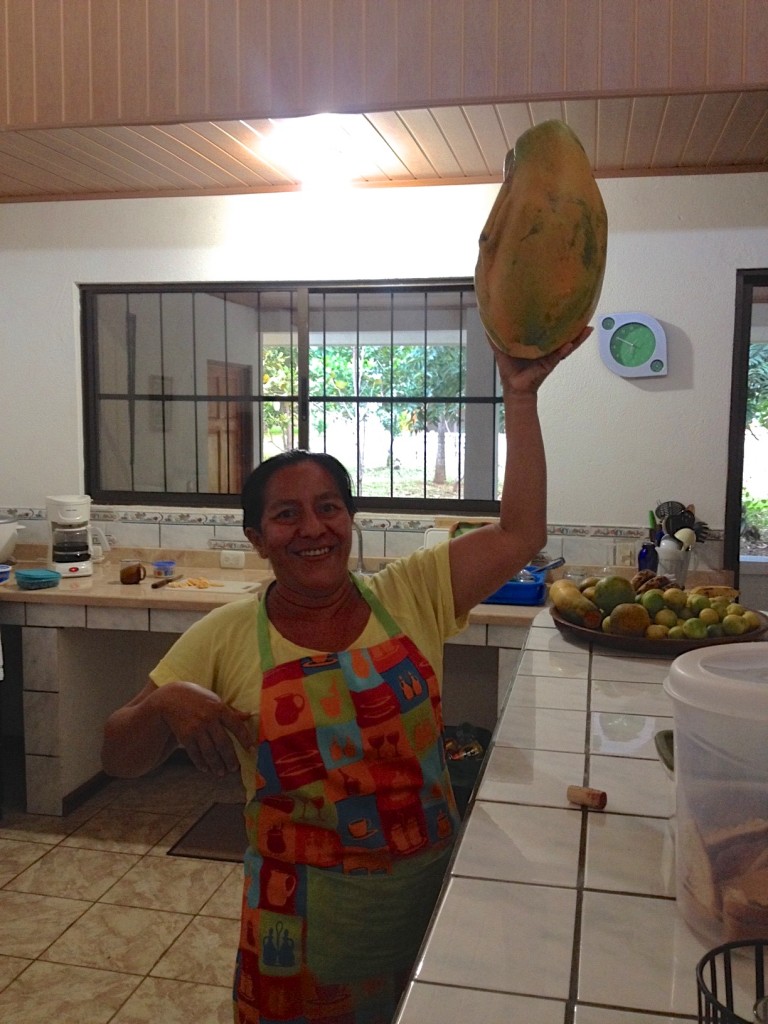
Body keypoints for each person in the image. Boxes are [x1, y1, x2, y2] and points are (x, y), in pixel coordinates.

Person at [101, 328, 589, 1024]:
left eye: (329, 507)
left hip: (428, 890)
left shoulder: (412, 593)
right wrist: (168, 701)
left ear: (351, 520)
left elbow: (522, 532)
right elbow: (116, 756)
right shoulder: (227, 635)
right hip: (297, 924)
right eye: (286, 514)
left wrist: (520, 397)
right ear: (256, 537)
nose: (313, 528)